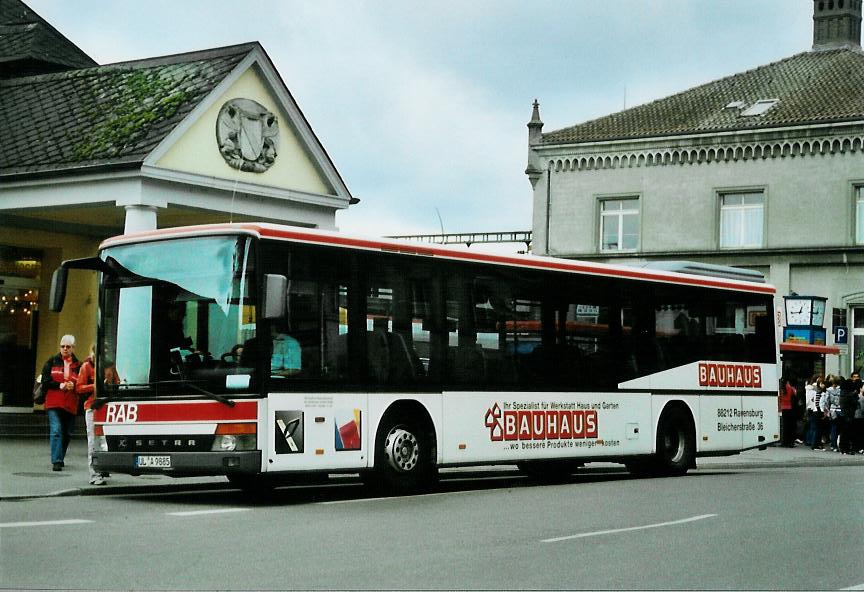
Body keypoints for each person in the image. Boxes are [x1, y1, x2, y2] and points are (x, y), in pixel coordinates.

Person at [76, 344, 120, 485]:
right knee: (93, 440)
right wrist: (95, 386)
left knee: (105, 440)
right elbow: (79, 387)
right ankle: (94, 474)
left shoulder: (110, 366)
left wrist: (111, 386)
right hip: (92, 405)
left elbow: (117, 382)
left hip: (107, 406)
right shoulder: (86, 366)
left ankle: (103, 468)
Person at [41, 335, 80, 471]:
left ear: (73, 348)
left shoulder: (78, 365)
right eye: (62, 346)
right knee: (56, 430)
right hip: (53, 402)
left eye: (68, 347)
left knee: (67, 433)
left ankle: (60, 456)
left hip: (70, 403)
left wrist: (73, 386)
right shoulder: (51, 361)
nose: (64, 349)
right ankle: (56, 461)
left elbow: (81, 383)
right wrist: (60, 385)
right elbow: (45, 381)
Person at [804, 375, 824, 450]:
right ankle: (814, 444)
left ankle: (810, 441)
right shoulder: (816, 389)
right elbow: (816, 400)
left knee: (812, 426)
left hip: (810, 408)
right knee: (816, 427)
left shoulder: (809, 388)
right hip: (815, 409)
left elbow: (808, 400)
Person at [778, 377, 797, 447]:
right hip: (790, 408)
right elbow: (795, 394)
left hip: (783, 408)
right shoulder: (791, 388)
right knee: (790, 426)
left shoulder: (781, 389)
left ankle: (784, 441)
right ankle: (790, 442)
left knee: (784, 426)